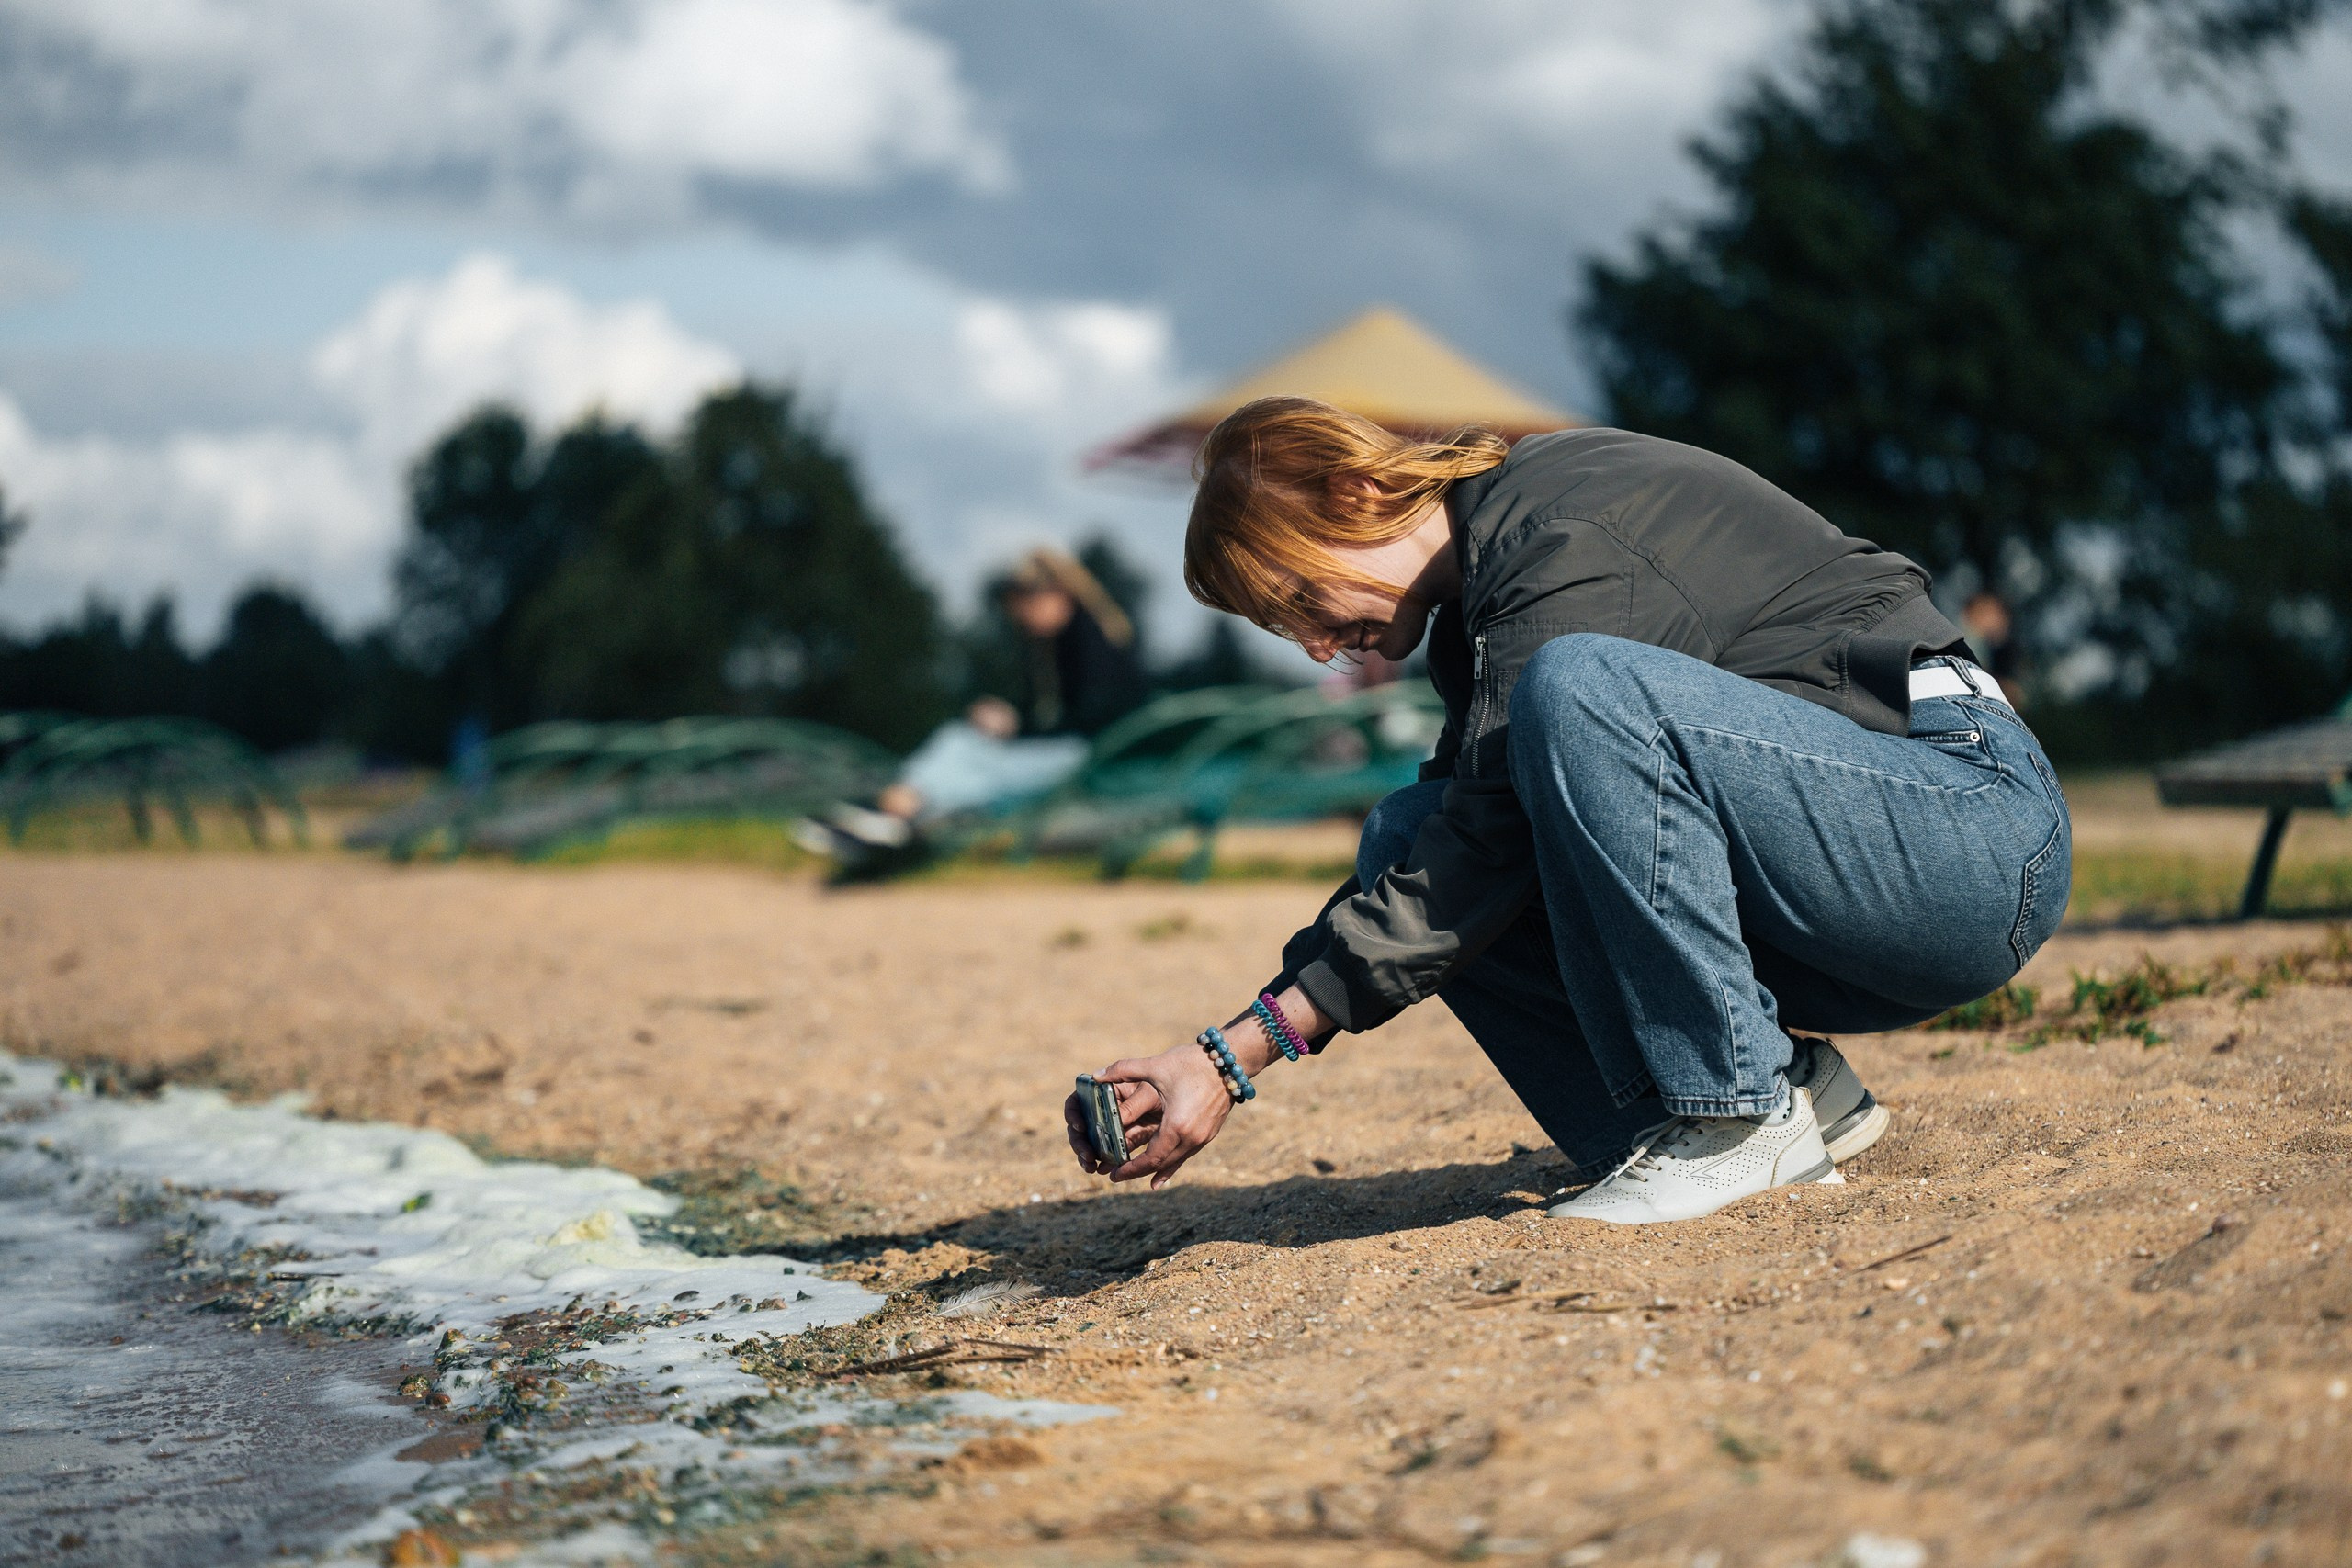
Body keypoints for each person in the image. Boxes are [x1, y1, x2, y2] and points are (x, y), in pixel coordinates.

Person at [1063, 397, 2071, 1224]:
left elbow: (1486, 845)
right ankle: (1764, 1106)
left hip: (1967, 835)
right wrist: (1222, 1056)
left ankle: (1740, 1116)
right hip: (1841, 887)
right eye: (1282, 629)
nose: (1314, 645)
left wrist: (1232, 1057)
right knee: (1406, 835)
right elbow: (1444, 865)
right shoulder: (1480, 613)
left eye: (1295, 601)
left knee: (1571, 693)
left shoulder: (1558, 522)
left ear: (1354, 492)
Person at [800, 547, 1148, 872]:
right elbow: (1054, 717)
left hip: (1083, 757)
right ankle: (894, 815)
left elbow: (1092, 718)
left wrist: (1016, 726)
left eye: (1026, 603)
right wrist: (1014, 722)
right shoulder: (1057, 645)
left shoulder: (1090, 641)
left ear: (1057, 594)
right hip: (1068, 750)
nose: (1022, 616)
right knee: (963, 744)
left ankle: (894, 812)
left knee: (967, 752)